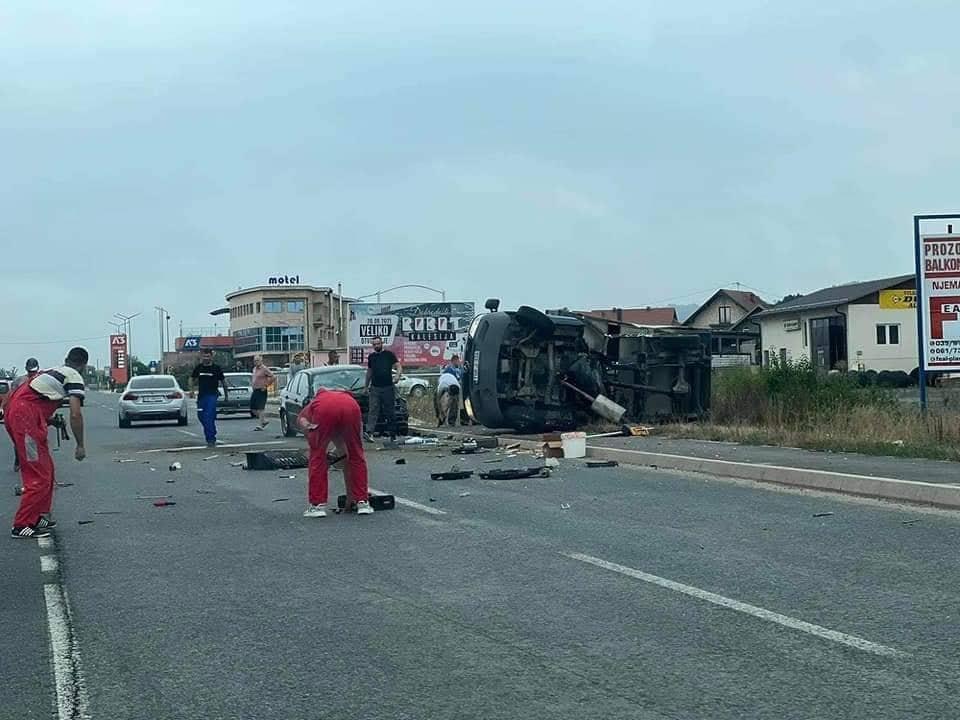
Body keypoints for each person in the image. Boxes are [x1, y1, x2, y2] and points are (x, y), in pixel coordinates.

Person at [8, 347, 88, 539]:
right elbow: (75, 414)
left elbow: (35, 398)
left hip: (23, 414)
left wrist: (49, 420)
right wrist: (80, 445)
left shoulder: (56, 371)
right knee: (38, 473)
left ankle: (36, 516)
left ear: (66, 358)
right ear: (84, 365)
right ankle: (21, 525)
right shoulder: (73, 376)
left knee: (47, 470)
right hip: (25, 418)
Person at [298, 386, 372, 517]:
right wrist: (351, 497)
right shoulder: (347, 399)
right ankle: (362, 502)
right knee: (356, 455)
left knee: (318, 457)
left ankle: (317, 506)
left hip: (324, 410)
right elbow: (346, 458)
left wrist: (312, 437)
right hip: (351, 407)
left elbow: (301, 420)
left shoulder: (316, 402)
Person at [4, 358, 41, 472]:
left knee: (36, 439)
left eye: (34, 371)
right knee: (19, 439)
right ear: (26, 369)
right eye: (30, 371)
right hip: (20, 413)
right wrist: (2, 407)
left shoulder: (41, 381)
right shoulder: (20, 381)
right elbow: (10, 395)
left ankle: (34, 464)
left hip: (36, 413)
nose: (32, 374)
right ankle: (19, 460)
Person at [190, 349, 230, 447]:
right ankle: (212, 429)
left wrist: (226, 395)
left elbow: (224, 382)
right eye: (204, 356)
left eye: (208, 356)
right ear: (201, 357)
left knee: (208, 416)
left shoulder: (216, 368)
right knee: (201, 416)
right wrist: (191, 390)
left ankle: (211, 438)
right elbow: (192, 379)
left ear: (211, 357)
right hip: (201, 396)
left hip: (212, 395)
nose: (206, 358)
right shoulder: (198, 368)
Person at [364, 337, 401, 441]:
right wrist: (366, 386)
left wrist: (397, 376)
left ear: (382, 343)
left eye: (378, 344)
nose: (376, 346)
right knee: (373, 410)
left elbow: (398, 366)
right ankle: (369, 432)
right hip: (375, 388)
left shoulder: (389, 355)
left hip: (388, 387)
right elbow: (369, 372)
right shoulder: (371, 357)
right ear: (373, 346)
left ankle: (393, 435)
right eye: (374, 344)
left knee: (390, 411)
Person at [250, 354, 275, 430]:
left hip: (261, 390)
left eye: (257, 360)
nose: (256, 362)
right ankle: (263, 420)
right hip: (255, 390)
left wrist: (266, 385)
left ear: (261, 361)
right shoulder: (254, 369)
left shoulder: (264, 368)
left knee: (260, 408)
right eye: (255, 360)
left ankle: (261, 424)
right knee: (252, 408)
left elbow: (273, 377)